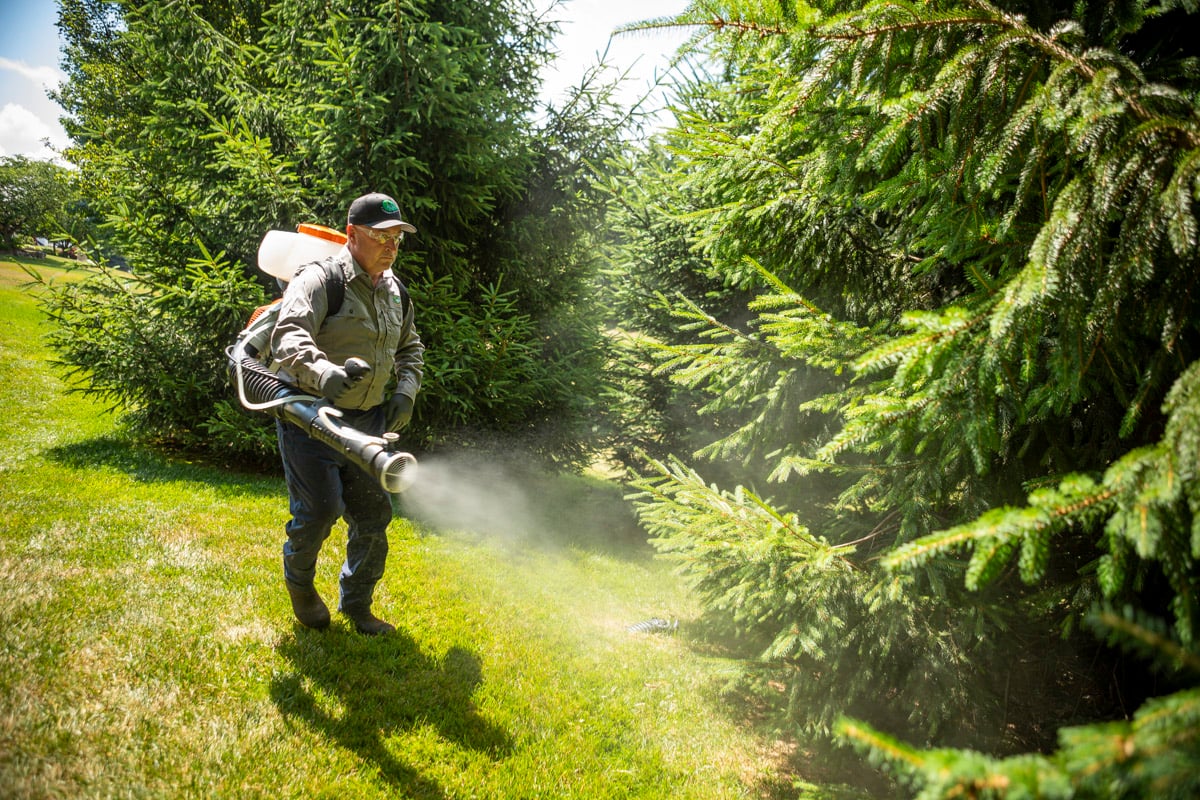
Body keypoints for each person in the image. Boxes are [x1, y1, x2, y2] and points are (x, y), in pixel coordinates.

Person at [268, 192, 424, 635]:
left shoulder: (396, 291)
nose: (391, 246)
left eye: (397, 237)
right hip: (311, 419)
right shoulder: (321, 280)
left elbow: (411, 348)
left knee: (373, 518)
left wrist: (406, 392)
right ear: (352, 235)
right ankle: (300, 586)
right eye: (381, 236)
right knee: (318, 512)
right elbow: (289, 335)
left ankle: (357, 606)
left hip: (369, 422)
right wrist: (324, 373)